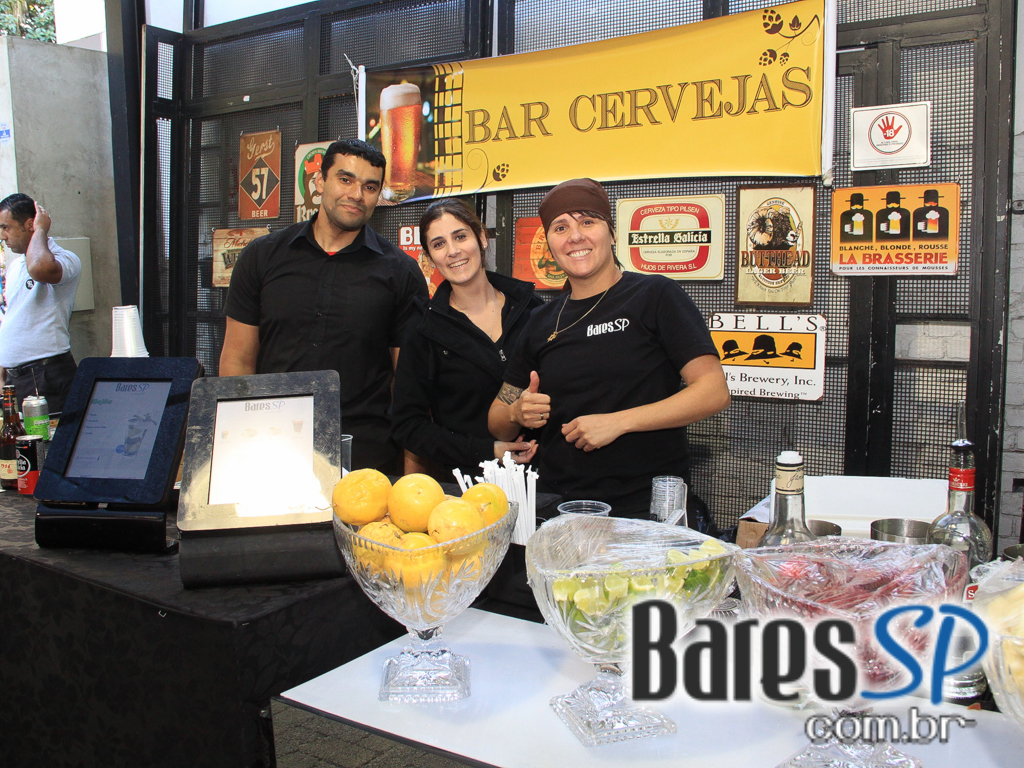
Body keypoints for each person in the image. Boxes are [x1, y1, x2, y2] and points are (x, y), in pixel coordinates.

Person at [488, 178, 731, 520]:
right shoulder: (540, 320)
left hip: (646, 509)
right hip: (560, 508)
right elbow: (498, 419)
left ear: (612, 233)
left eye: (588, 221)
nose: (575, 236)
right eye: (561, 227)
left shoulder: (654, 296)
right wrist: (517, 413)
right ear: (551, 244)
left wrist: (619, 422)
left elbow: (713, 391)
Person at [220, 139, 428, 471]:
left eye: (370, 186)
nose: (357, 195)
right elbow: (237, 360)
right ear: (320, 182)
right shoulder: (261, 257)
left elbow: (407, 385)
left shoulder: (401, 272)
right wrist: (237, 444)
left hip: (365, 458)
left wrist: (411, 478)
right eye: (345, 179)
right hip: (269, 448)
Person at [392, 199, 542, 482]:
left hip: (544, 484)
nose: (453, 251)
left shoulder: (531, 308)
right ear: (428, 257)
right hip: (467, 490)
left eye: (460, 236)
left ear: (482, 238)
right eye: (438, 244)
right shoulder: (423, 329)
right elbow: (407, 425)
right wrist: (486, 450)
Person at [0, 194, 81, 414]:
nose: (2, 236)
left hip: (45, 374)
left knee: (48, 446)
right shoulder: (16, 266)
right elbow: (12, 315)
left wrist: (41, 231)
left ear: (29, 225)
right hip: (16, 378)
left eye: (6, 227)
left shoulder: (64, 258)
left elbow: (39, 269)